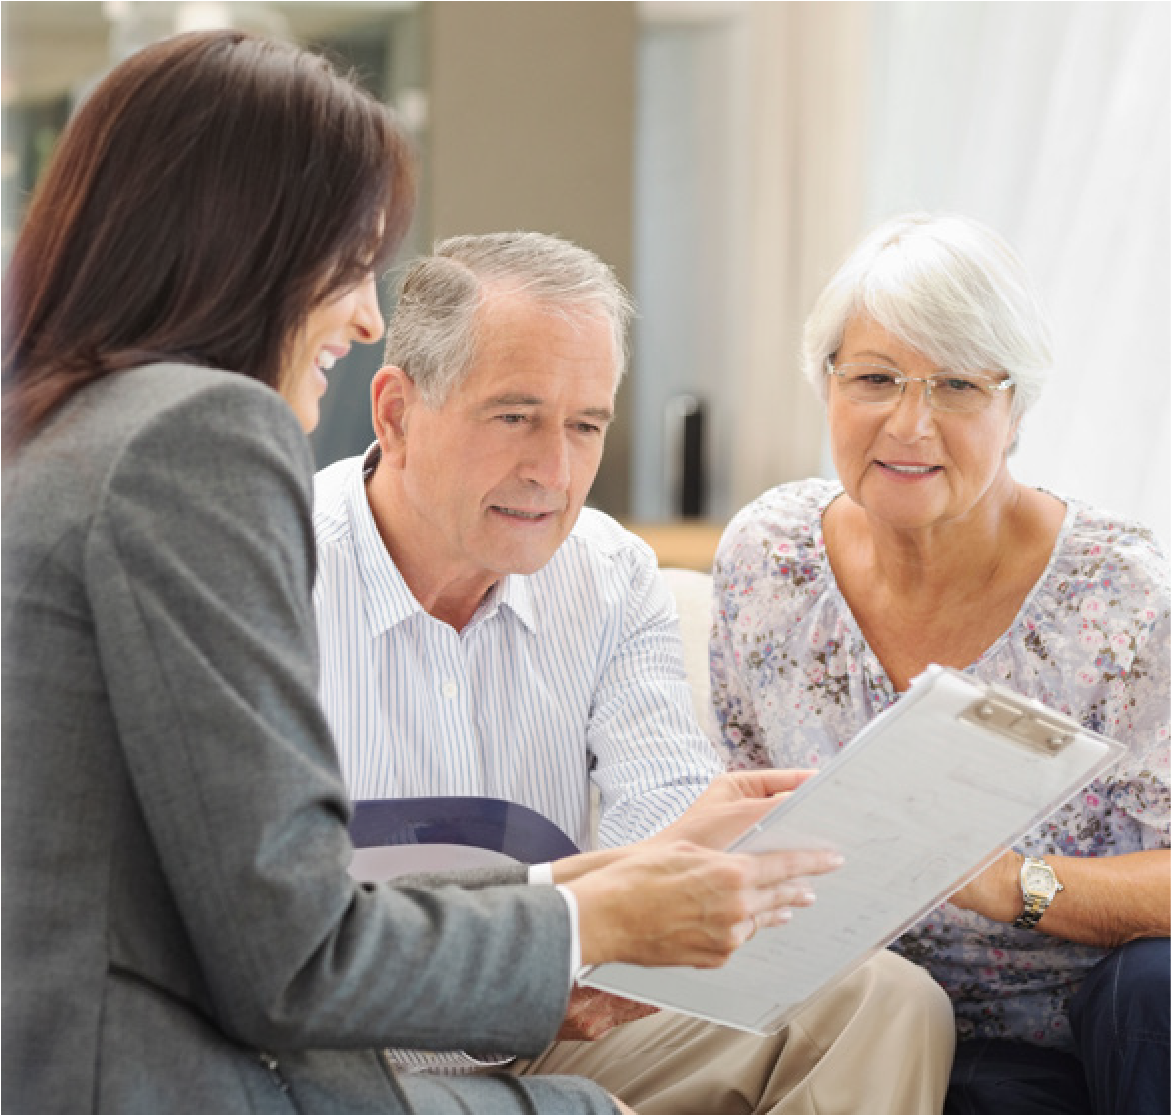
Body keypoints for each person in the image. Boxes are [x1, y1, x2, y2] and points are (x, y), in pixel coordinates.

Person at [1, 31, 848, 1115]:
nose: (363, 314)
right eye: (350, 264)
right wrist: (595, 925)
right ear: (241, 245)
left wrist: (592, 894)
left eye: (585, 424)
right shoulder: (198, 439)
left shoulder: (65, 432)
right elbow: (297, 955)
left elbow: (240, 905)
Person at [313, 230, 957, 1114]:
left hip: (543, 1022)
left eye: (585, 426)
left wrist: (721, 844)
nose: (555, 471)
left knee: (881, 1002)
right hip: (326, 1041)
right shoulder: (268, 567)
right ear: (394, 412)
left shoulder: (610, 575)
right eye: (515, 417)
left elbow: (661, 823)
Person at [709, 211, 1171, 1114]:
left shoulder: (1123, 598)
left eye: (957, 384)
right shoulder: (769, 559)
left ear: (1016, 408)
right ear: (826, 387)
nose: (910, 423)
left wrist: (1005, 882)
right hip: (840, 1010)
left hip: (1071, 1022)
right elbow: (737, 806)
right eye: (874, 378)